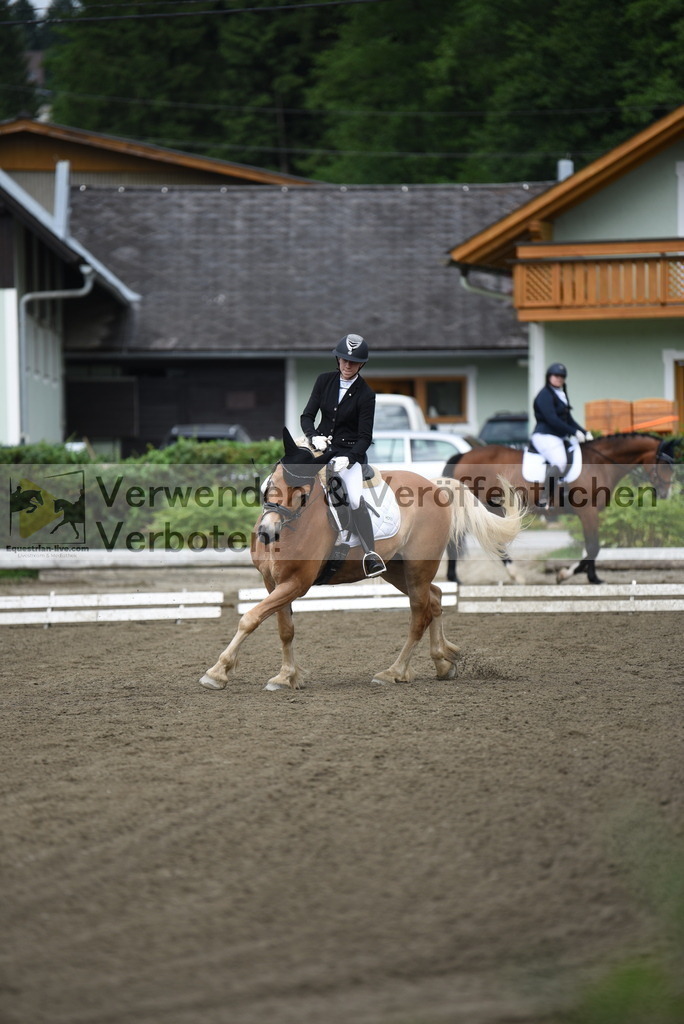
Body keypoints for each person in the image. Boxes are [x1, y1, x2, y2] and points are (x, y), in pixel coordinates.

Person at [301, 333, 386, 577]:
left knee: (354, 499)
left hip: (349, 455)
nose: (348, 366)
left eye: (354, 362)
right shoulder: (323, 381)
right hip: (321, 449)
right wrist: (312, 435)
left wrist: (349, 458)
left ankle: (371, 554)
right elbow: (307, 415)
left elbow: (365, 437)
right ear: (338, 360)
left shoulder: (366, 394)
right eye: (344, 360)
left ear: (361, 364)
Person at [530, 362, 592, 507]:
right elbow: (552, 419)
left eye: (562, 377)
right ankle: (545, 498)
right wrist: (573, 432)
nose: (559, 379)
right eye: (556, 376)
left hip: (558, 437)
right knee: (560, 462)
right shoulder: (545, 395)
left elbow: (568, 419)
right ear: (549, 377)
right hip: (545, 435)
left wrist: (584, 432)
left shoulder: (561, 394)